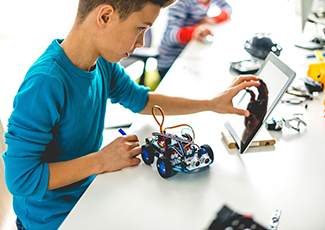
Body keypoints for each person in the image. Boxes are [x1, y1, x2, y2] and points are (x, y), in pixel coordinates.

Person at [2, 0, 260, 229]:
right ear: (105, 17)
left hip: (90, 191)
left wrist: (210, 103)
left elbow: (142, 100)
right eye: (140, 29)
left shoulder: (101, 62)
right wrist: (101, 160)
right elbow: (20, 179)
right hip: (52, 219)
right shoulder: (45, 83)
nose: (141, 43)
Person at [157, 0, 232, 78]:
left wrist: (213, 19)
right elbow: (170, 35)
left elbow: (227, 8)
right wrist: (194, 31)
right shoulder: (181, 2)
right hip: (172, 60)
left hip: (191, 53)